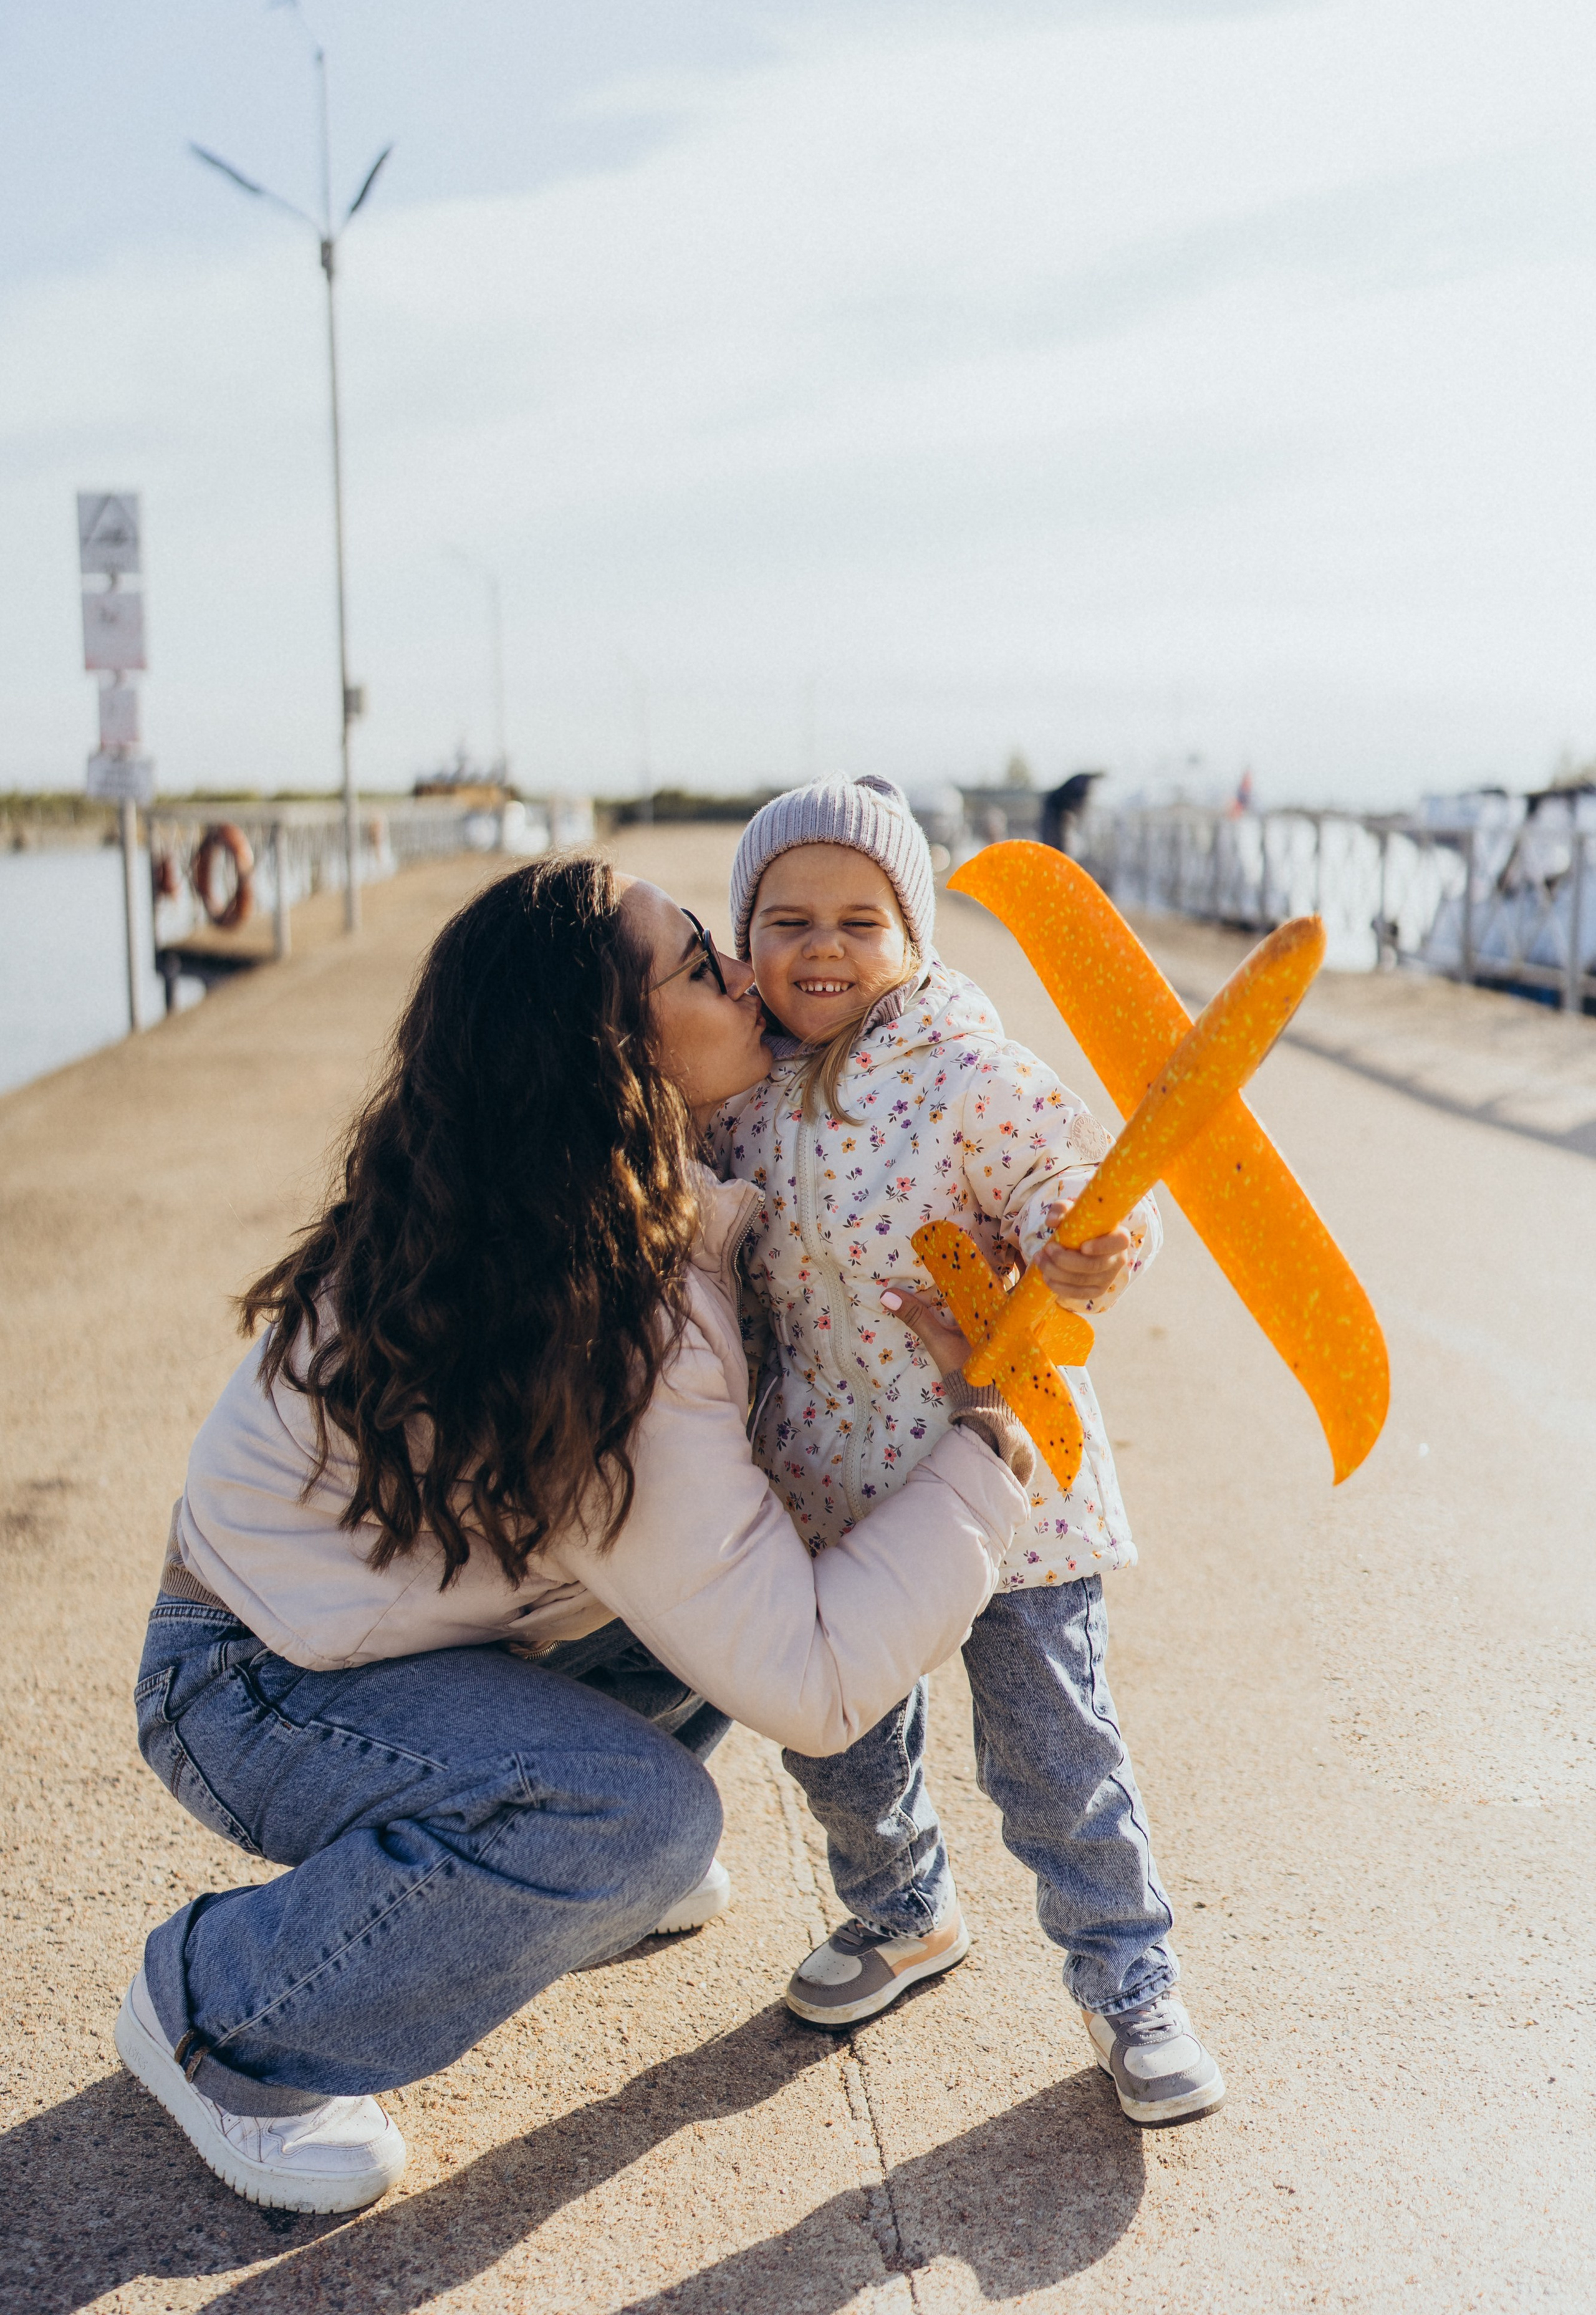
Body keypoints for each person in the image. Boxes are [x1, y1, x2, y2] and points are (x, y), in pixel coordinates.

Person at [116, 853, 1041, 2216]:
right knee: (635, 1822)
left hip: (380, 1632)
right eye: (695, 965)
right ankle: (223, 2010)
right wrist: (987, 1447)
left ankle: (538, 1873)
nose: (742, 968)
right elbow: (814, 1686)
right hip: (247, 1683)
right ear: (615, 1057)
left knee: (709, 1591)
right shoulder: (599, 1307)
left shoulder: (556, 1196)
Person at [711, 774, 1224, 2125]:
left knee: (1051, 1745)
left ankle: (1130, 1983)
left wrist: (1087, 1248)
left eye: (858, 920)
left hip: (1004, 1471)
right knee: (838, 1739)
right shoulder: (738, 1095)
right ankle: (901, 1913)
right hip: (828, 1478)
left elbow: (1077, 1188)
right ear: (742, 936)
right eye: (786, 919)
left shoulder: (965, 1073)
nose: (821, 947)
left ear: (912, 940)